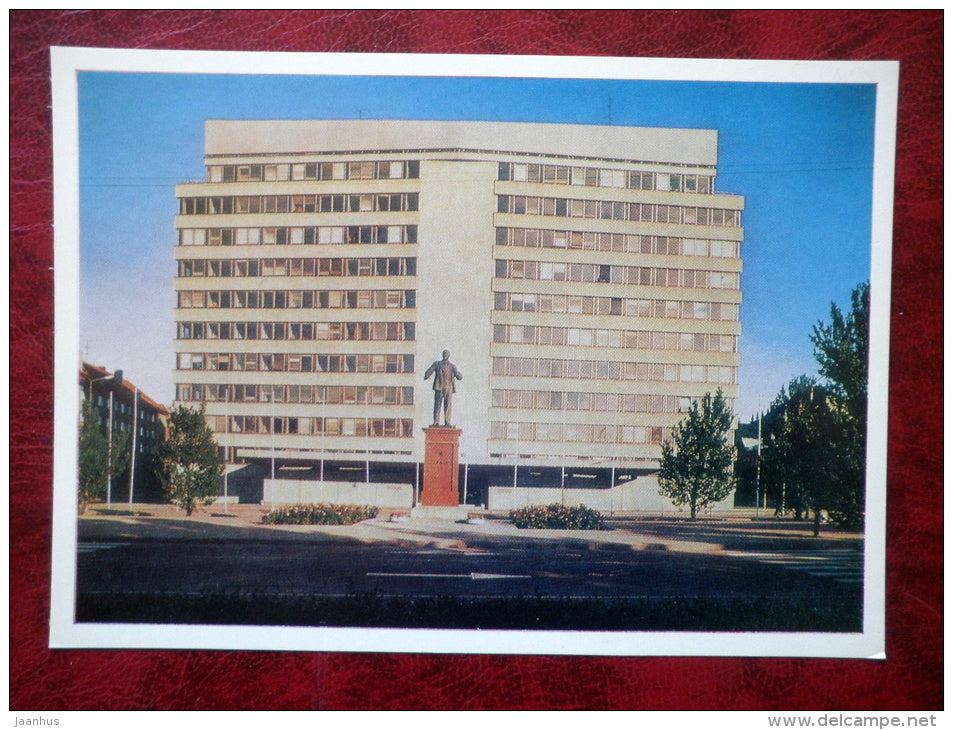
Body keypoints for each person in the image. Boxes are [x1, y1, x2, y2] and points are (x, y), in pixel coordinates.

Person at [424, 350, 463, 427]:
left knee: (448, 405)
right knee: (437, 405)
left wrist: (457, 374)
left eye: (446, 354)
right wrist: (427, 375)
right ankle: (436, 422)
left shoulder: (452, 366)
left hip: (449, 388)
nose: (445, 355)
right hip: (439, 387)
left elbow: (459, 377)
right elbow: (430, 370)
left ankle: (447, 422)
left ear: (449, 355)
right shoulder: (437, 364)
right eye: (444, 354)